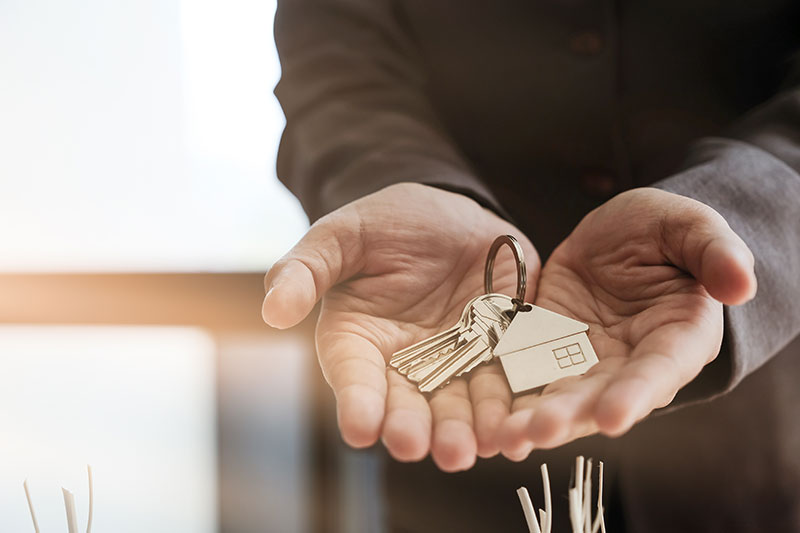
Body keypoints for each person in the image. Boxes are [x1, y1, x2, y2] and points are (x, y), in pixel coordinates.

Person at [262, 1, 800, 531]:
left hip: (747, 451)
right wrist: (405, 180)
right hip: (460, 463)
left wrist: (734, 213)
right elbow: (337, 67)